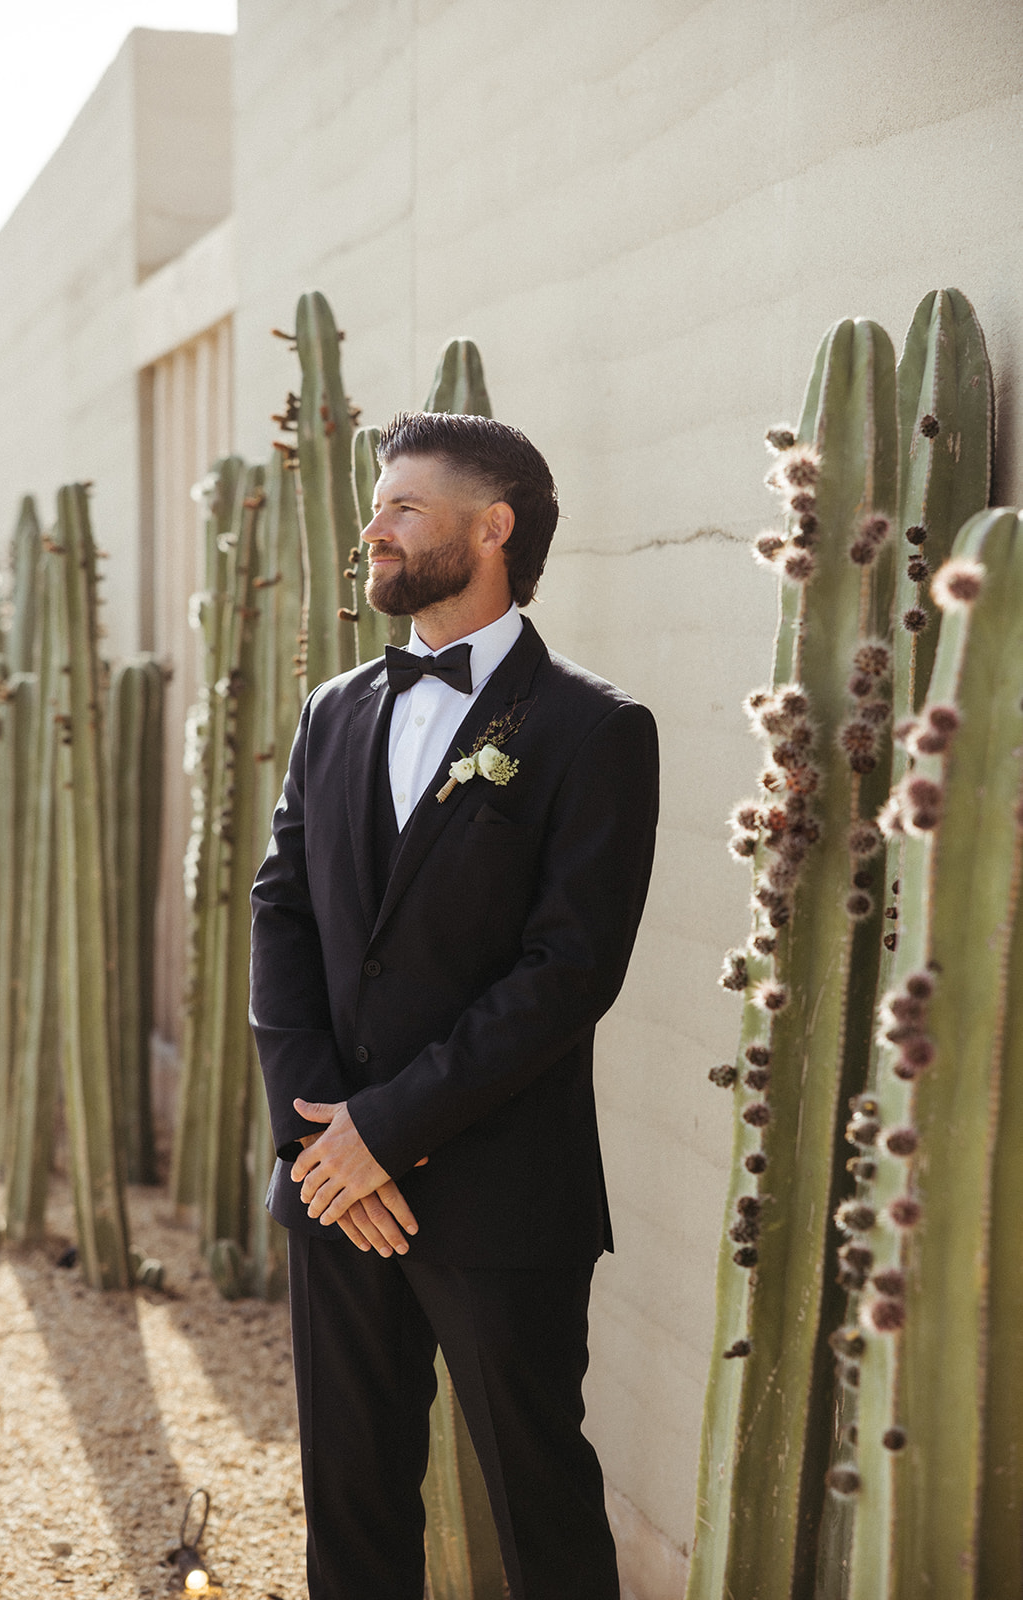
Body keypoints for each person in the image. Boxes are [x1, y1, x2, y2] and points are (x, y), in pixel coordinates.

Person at [250, 410, 659, 1600]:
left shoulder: (593, 729)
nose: (368, 529)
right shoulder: (331, 712)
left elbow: (567, 972)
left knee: (538, 1510)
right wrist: (320, 1136)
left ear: (492, 529)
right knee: (353, 1503)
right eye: (374, 506)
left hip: (499, 1196)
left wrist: (390, 1130)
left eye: (400, 510)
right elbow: (282, 916)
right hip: (333, 1187)